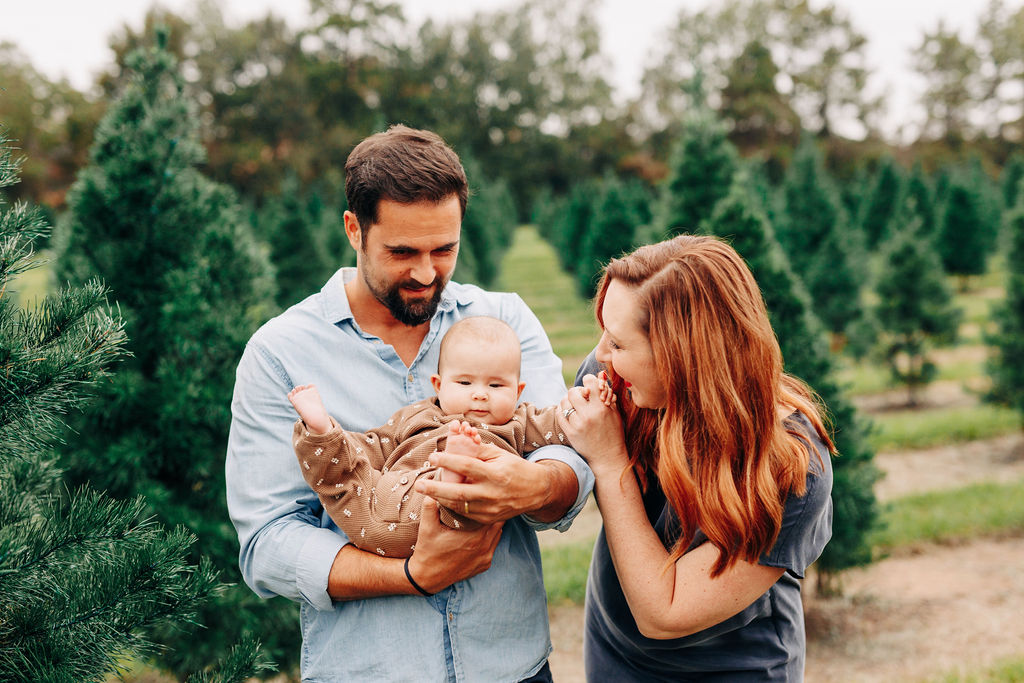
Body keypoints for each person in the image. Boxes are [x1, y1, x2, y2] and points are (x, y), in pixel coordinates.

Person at [225, 125, 594, 682]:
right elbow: (268, 541)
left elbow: (566, 453)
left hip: (510, 667)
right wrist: (412, 573)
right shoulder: (281, 353)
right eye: (402, 252)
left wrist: (535, 485)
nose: (426, 273)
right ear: (355, 229)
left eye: (443, 249)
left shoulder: (504, 320)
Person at [555, 234, 834, 681]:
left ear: (681, 357)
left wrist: (610, 464)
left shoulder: (790, 467)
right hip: (614, 655)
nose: (601, 355)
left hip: (732, 668)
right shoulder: (615, 380)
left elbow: (665, 612)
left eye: (620, 344)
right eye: (603, 334)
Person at [287, 315, 613, 559]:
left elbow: (558, 425)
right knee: (342, 475)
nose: (480, 396)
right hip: (373, 510)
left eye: (496, 386)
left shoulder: (518, 422)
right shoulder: (415, 415)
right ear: (439, 385)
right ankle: (322, 430)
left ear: (518, 391)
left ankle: (456, 470)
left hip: (447, 516)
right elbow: (375, 446)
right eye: (465, 383)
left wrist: (585, 401)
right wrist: (340, 442)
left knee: (475, 492)